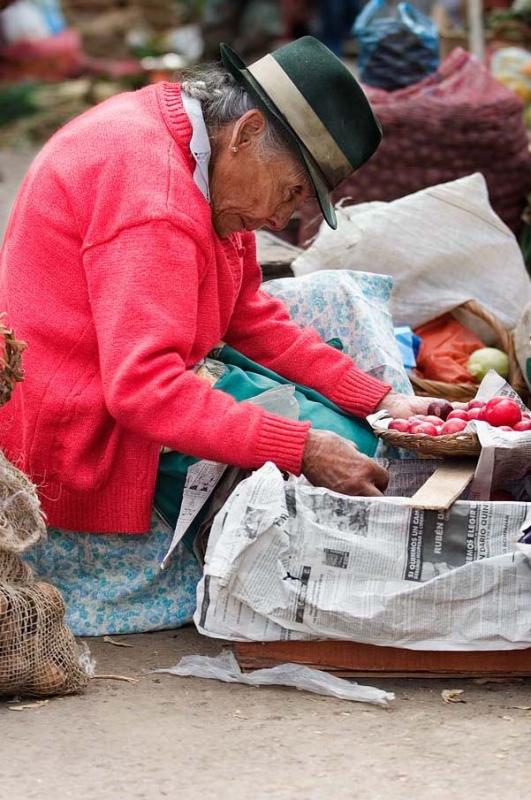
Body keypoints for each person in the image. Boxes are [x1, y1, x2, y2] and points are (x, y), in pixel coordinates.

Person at [0, 36, 436, 635]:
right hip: (79, 426)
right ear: (249, 132)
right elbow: (144, 390)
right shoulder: (156, 197)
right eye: (292, 192)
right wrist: (301, 448)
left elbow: (248, 315)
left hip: (128, 370)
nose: (282, 220)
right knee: (329, 466)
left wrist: (382, 400)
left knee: (354, 431)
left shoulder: (200, 149)